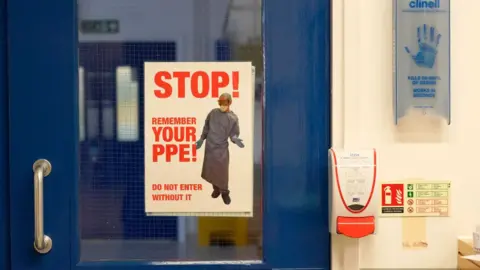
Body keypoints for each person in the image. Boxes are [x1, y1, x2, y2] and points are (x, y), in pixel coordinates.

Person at [195, 93, 245, 205]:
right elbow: (206, 126)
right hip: (210, 148)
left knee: (222, 173)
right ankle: (216, 189)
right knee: (211, 171)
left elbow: (233, 134)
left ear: (229, 103)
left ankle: (225, 193)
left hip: (221, 149)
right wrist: (201, 139)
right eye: (220, 102)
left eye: (225, 103)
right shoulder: (213, 113)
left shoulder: (233, 118)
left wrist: (235, 139)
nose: (222, 105)